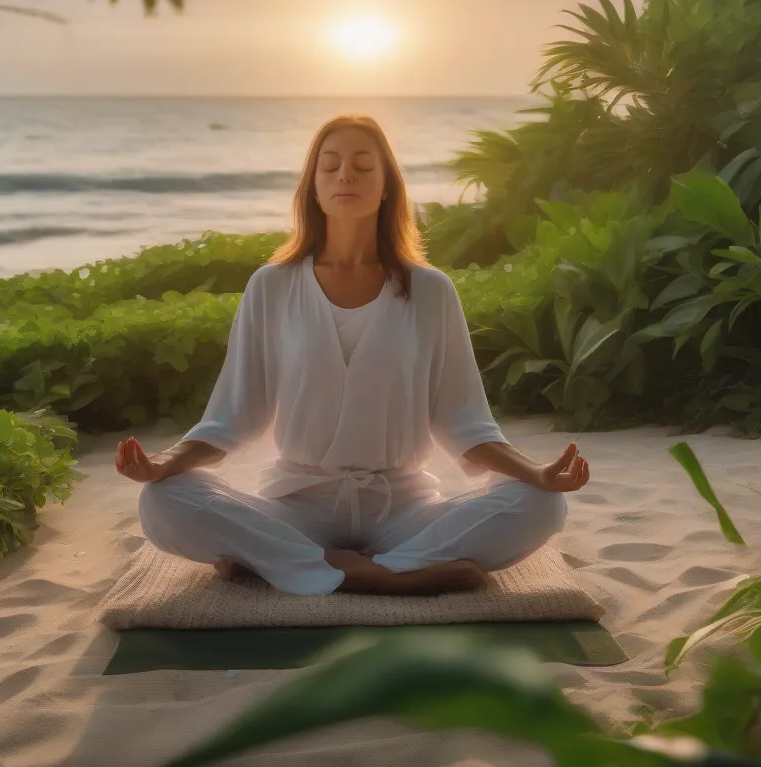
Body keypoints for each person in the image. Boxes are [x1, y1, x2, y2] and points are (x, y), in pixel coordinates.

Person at [115, 114, 590, 597]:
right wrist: (164, 462)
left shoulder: (430, 291)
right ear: (313, 186)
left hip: (402, 507)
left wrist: (537, 473)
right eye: (331, 166)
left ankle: (295, 566)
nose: (346, 176)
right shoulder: (273, 287)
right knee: (163, 500)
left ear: (386, 187)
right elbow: (232, 419)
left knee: (543, 505)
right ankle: (382, 573)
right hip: (297, 505)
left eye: (364, 166)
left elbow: (465, 423)